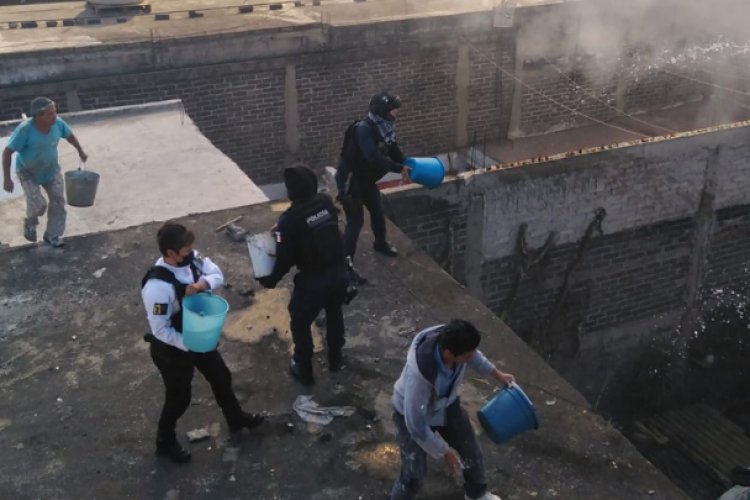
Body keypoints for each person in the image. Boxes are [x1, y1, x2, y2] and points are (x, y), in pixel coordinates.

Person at [141, 222, 264, 463]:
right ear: (170, 254)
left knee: (221, 377)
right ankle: (164, 442)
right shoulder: (157, 287)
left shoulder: (193, 259)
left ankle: (235, 418)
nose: (191, 254)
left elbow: (217, 274)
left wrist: (200, 285)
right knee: (179, 398)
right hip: (173, 348)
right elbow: (160, 330)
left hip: (199, 334)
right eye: (185, 252)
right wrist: (193, 343)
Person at [390, 319, 515, 500]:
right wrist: (445, 451)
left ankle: (476, 493)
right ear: (449, 354)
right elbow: (415, 425)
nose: (471, 358)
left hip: (447, 403)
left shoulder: (453, 341)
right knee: (414, 473)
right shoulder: (420, 376)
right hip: (412, 413)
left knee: (471, 452)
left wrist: (498, 375)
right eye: (466, 356)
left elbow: (475, 356)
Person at [257, 165, 352, 386]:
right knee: (334, 311)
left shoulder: (288, 221)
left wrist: (270, 280)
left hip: (314, 281)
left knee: (299, 321)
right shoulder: (325, 203)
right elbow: (312, 224)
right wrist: (282, 230)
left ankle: (303, 367)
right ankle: (336, 358)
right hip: (339, 272)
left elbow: (284, 259)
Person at [335, 91, 411, 283]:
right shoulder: (364, 130)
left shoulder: (385, 129)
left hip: (366, 179)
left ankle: (380, 243)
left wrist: (408, 165)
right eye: (394, 111)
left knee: (377, 211)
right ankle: (345, 269)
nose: (396, 115)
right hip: (351, 181)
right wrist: (397, 168)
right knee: (355, 222)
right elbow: (373, 157)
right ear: (383, 111)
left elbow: (394, 150)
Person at [2, 97, 88, 247]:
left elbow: (70, 136)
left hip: (51, 169)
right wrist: (7, 179)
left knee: (58, 201)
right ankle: (30, 222)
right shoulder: (25, 130)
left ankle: (52, 235)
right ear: (38, 116)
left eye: (55, 112)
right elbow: (7, 152)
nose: (55, 116)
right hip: (27, 172)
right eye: (50, 114)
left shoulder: (58, 124)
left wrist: (80, 151)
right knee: (38, 204)